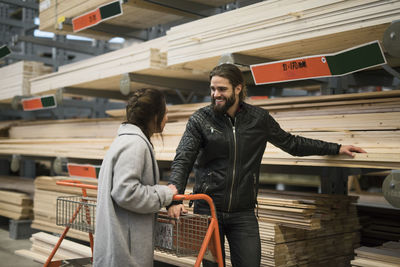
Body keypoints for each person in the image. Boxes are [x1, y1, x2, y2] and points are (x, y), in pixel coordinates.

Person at [167, 63, 366, 267]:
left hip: (243, 212)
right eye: (212, 89)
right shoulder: (200, 120)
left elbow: (292, 144)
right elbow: (184, 158)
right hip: (208, 211)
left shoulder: (258, 119)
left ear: (238, 88)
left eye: (222, 89)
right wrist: (174, 198)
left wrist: (336, 148)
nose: (216, 94)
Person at [93, 88, 178, 267]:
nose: (167, 118)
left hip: (121, 245)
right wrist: (165, 194)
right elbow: (126, 192)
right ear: (154, 116)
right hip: (127, 252)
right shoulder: (135, 144)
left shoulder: (124, 141)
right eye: (165, 113)